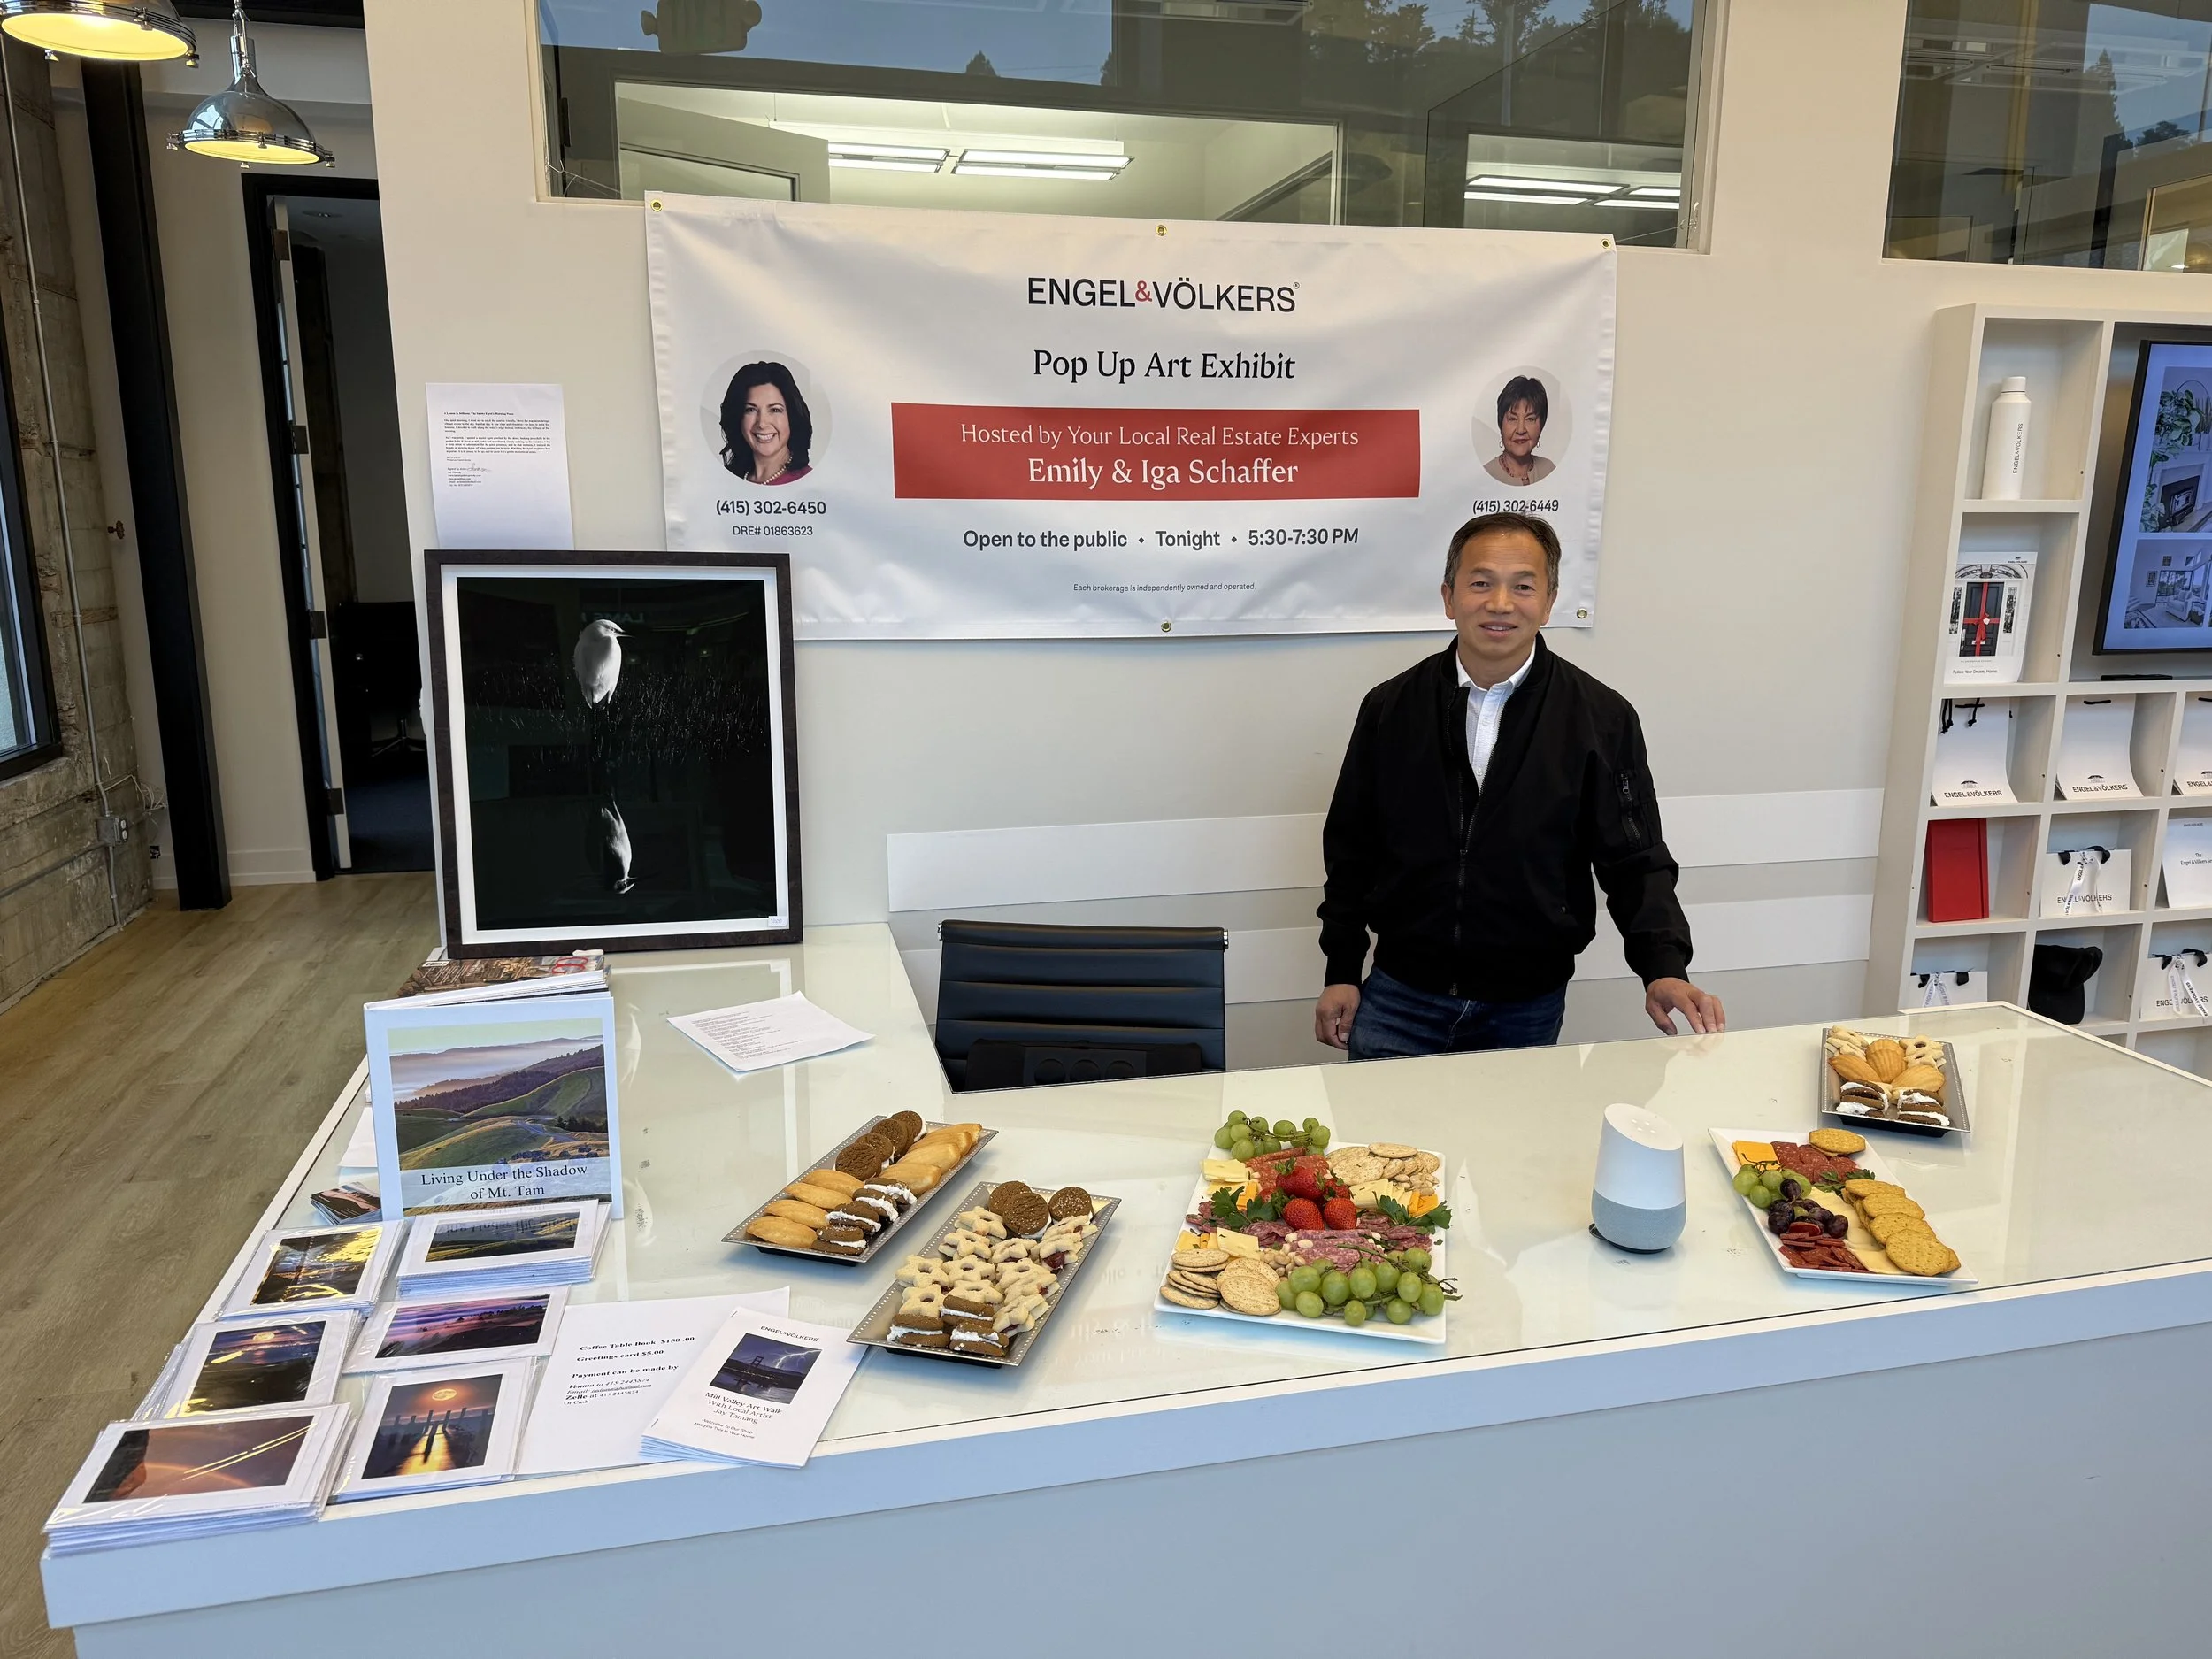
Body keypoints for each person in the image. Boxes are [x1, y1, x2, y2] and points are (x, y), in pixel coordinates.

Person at [1313, 511, 1723, 1058]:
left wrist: (1663, 967)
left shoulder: (1601, 717)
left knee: (1508, 1146)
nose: (1500, 603)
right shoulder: (1390, 708)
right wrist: (1341, 969)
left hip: (1524, 1009)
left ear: (1549, 601)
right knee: (1378, 1144)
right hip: (1398, 999)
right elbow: (1351, 851)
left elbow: (1635, 860)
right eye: (1480, 583)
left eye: (1522, 586)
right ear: (1448, 596)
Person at [719, 360, 814, 486]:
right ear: (738, 418)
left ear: (792, 417)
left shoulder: (810, 484)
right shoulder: (724, 482)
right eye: (751, 410)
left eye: (775, 410)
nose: (762, 424)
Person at [1481, 374, 1555, 488]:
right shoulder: (1485, 475)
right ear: (1500, 424)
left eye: (1530, 419)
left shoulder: (1549, 470)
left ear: (1542, 425)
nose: (1521, 430)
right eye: (1512, 419)